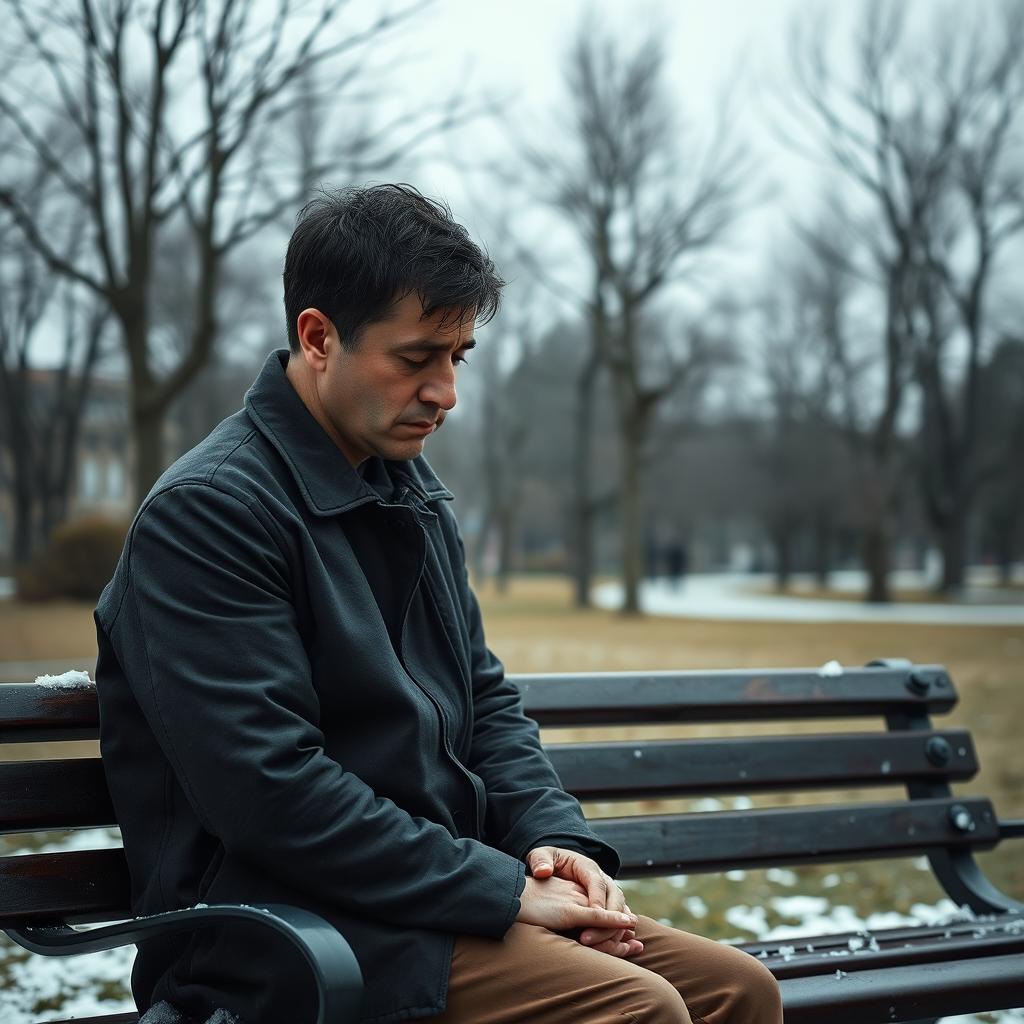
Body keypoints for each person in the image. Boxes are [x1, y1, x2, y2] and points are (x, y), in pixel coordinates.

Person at [95, 184, 782, 1024]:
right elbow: (270, 793)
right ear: (318, 338)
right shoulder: (210, 513)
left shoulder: (408, 491)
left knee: (740, 993)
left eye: (458, 357)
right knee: (639, 1012)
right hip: (280, 930)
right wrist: (498, 890)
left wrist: (548, 839)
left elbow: (484, 698)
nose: (445, 391)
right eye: (417, 358)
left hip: (426, 896)